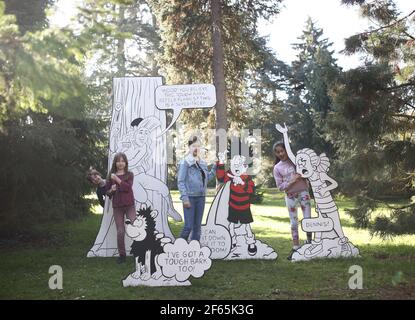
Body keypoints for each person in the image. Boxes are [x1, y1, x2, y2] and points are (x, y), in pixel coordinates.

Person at [273, 141, 313, 260]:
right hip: (290, 196)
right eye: (278, 152)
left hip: (303, 193)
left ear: (286, 150)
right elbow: (280, 187)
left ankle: (309, 244)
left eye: (282, 150)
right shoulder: (277, 168)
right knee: (294, 223)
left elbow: (307, 172)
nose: (280, 153)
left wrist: (304, 176)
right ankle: (296, 247)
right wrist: (292, 180)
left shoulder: (295, 161)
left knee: (307, 220)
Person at [177, 136, 217, 241]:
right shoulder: (185, 162)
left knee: (197, 227)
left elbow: (206, 178)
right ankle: (178, 248)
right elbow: (180, 181)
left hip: (201, 197)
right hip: (189, 197)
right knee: (188, 226)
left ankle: (194, 250)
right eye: (194, 146)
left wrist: (215, 167)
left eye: (198, 146)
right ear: (189, 147)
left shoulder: (202, 162)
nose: (196, 148)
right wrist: (185, 198)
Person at [105, 152, 136, 263]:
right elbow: (107, 193)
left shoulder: (129, 174)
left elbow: (127, 188)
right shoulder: (111, 175)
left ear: (125, 162)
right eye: (118, 161)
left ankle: (140, 251)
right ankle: (122, 255)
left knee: (136, 226)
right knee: (120, 231)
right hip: (117, 207)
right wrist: (111, 190)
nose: (120, 163)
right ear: (115, 162)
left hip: (129, 206)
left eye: (123, 161)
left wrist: (117, 179)